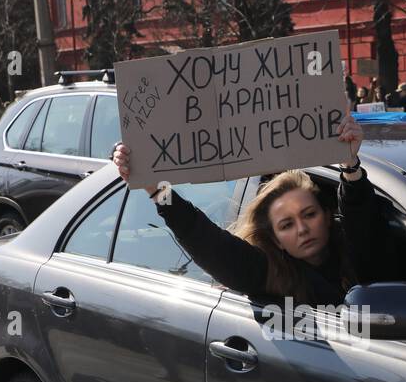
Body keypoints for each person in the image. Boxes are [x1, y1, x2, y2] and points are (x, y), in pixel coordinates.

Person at [111, 114, 390, 307]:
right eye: (286, 225)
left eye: (309, 214)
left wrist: (350, 165)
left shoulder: (356, 255)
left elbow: (360, 216)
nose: (302, 229)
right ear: (275, 239)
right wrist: (157, 191)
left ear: (328, 217)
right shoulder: (268, 273)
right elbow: (204, 239)